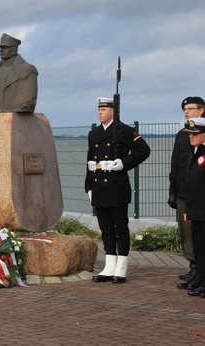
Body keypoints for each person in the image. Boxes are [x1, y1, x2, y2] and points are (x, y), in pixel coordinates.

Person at [85, 98, 150, 283]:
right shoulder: (94, 133)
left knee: (120, 228)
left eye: (104, 109)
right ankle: (109, 266)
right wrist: (88, 185)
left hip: (116, 184)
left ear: (113, 111)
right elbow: (89, 161)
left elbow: (143, 150)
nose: (100, 113)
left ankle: (121, 267)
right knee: (105, 228)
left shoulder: (124, 131)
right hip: (99, 185)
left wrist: (123, 163)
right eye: (99, 110)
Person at [170, 97, 205, 289]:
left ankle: (200, 271)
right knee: (187, 234)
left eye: (190, 108)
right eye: (185, 109)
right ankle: (194, 267)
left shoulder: (202, 135)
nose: (186, 111)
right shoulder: (182, 135)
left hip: (200, 195)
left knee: (199, 234)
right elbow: (176, 165)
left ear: (201, 111)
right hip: (184, 191)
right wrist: (172, 191)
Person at [0, 33, 39, 114]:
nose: (1, 50)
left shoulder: (28, 70)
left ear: (14, 50)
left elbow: (28, 100)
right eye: (1, 47)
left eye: (5, 47)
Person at [182, 118, 205, 297]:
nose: (191, 137)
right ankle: (202, 280)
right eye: (190, 134)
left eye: (195, 133)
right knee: (199, 247)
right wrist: (188, 210)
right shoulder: (194, 152)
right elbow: (191, 184)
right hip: (196, 209)